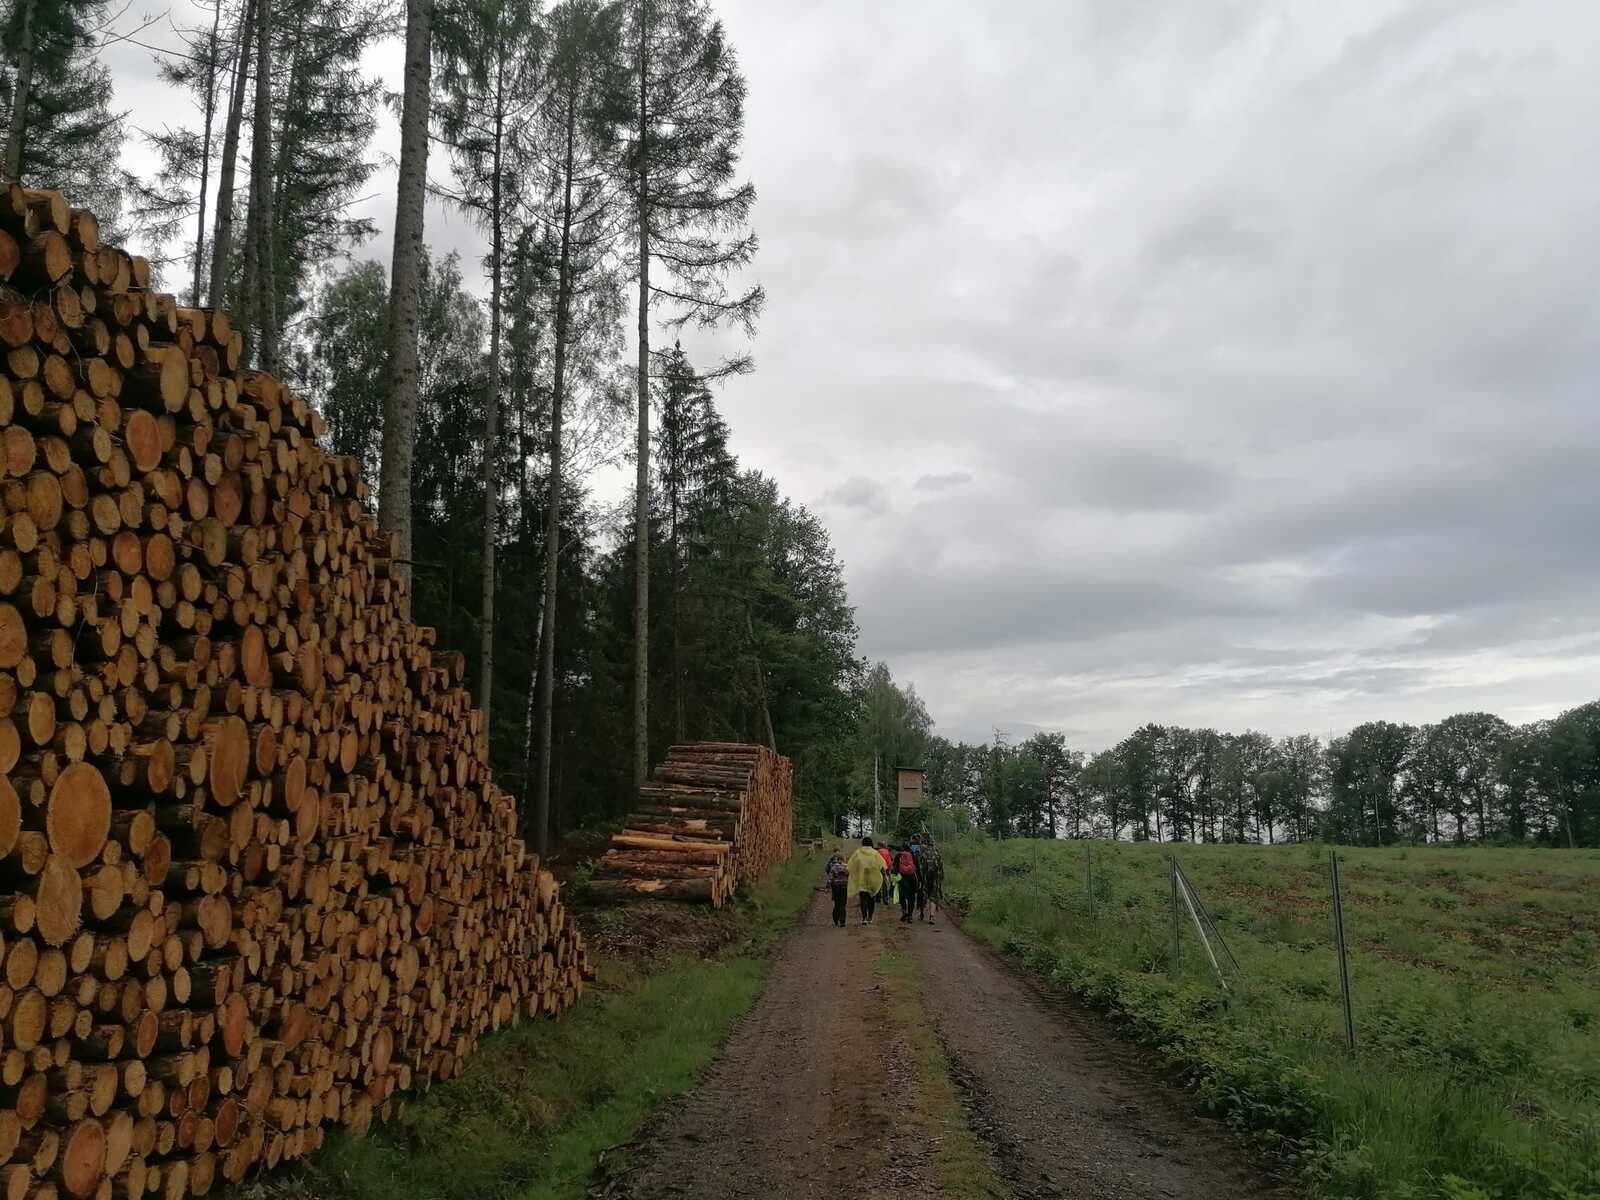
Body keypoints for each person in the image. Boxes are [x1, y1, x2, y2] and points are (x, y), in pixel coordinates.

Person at [846, 837, 886, 924]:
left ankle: (864, 918)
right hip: (873, 880)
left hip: (861, 880)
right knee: (871, 899)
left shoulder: (858, 853)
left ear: (863, 843)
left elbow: (850, 866)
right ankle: (870, 918)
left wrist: (850, 875)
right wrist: (885, 877)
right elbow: (882, 866)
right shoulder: (875, 853)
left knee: (863, 899)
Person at [823, 848, 850, 928]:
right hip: (844, 886)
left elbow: (830, 878)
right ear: (844, 859)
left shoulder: (834, 867)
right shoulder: (847, 867)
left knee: (837, 903)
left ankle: (836, 920)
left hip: (836, 887)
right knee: (843, 904)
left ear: (837, 859)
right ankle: (843, 921)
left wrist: (827, 887)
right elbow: (850, 877)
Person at [895, 842, 919, 922]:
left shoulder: (899, 855)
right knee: (911, 897)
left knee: (902, 895)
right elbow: (917, 868)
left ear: (902, 848)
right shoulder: (913, 855)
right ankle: (910, 916)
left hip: (902, 878)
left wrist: (894, 877)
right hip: (912, 878)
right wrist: (920, 880)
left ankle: (904, 912)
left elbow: (894, 867)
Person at [876, 840, 893, 904]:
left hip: (878, 869)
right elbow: (889, 861)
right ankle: (885, 899)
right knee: (885, 884)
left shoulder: (877, 852)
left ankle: (878, 898)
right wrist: (889, 869)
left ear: (879, 845)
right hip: (886, 869)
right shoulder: (887, 851)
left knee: (878, 883)